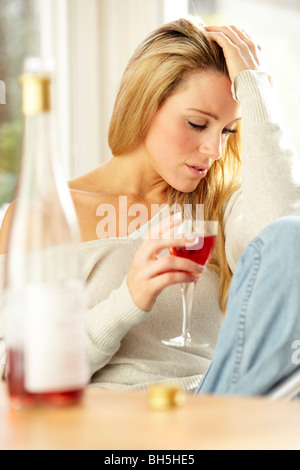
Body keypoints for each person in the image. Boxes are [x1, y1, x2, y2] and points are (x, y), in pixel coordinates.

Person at [0, 17, 300, 394]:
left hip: (213, 411)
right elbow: (19, 369)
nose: (215, 150)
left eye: (228, 130)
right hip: (109, 424)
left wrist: (256, 92)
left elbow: (287, 240)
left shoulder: (221, 209)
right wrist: (128, 299)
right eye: (196, 123)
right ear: (145, 103)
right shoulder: (45, 215)